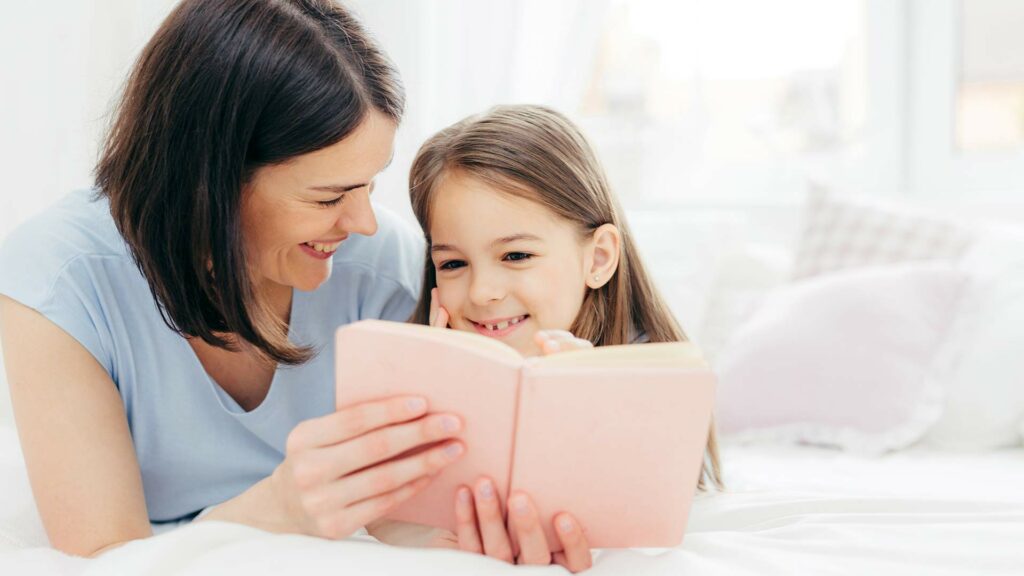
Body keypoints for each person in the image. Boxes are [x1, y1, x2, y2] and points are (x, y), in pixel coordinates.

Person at [0, 0, 467, 557]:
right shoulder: (60, 281)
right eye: (328, 196)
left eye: (369, 185)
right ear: (210, 183)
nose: (362, 222)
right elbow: (103, 556)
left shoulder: (385, 266)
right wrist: (280, 510)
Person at [370, 104, 723, 571]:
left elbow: (660, 502)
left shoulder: (643, 377)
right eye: (453, 264)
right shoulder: (407, 388)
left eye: (516, 255)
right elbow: (384, 518)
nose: (482, 292)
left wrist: (592, 412)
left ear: (597, 259)